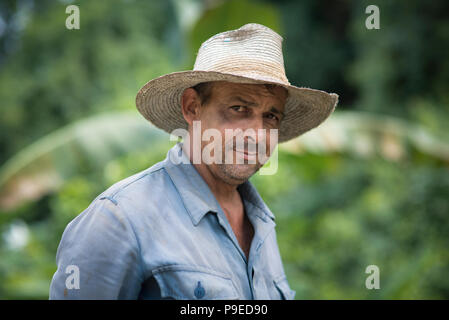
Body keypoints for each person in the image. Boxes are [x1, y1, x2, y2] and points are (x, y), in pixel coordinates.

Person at [49, 23, 338, 299]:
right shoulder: (120, 220)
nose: (256, 135)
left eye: (270, 116)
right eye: (238, 108)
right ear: (192, 107)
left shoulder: (262, 224)